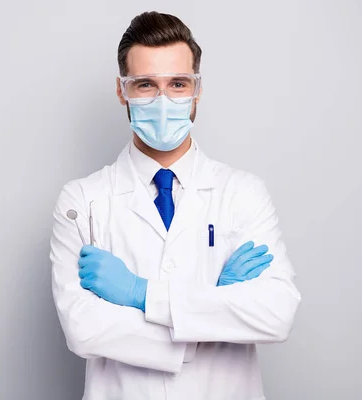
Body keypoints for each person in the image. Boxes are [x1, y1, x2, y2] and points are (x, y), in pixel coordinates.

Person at [50, 11, 300, 400]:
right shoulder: (83, 200)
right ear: (122, 90)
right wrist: (213, 311)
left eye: (178, 83)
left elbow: (276, 315)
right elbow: (84, 329)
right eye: (146, 85)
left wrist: (138, 293)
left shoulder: (243, 193)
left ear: (197, 89)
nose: (163, 100)